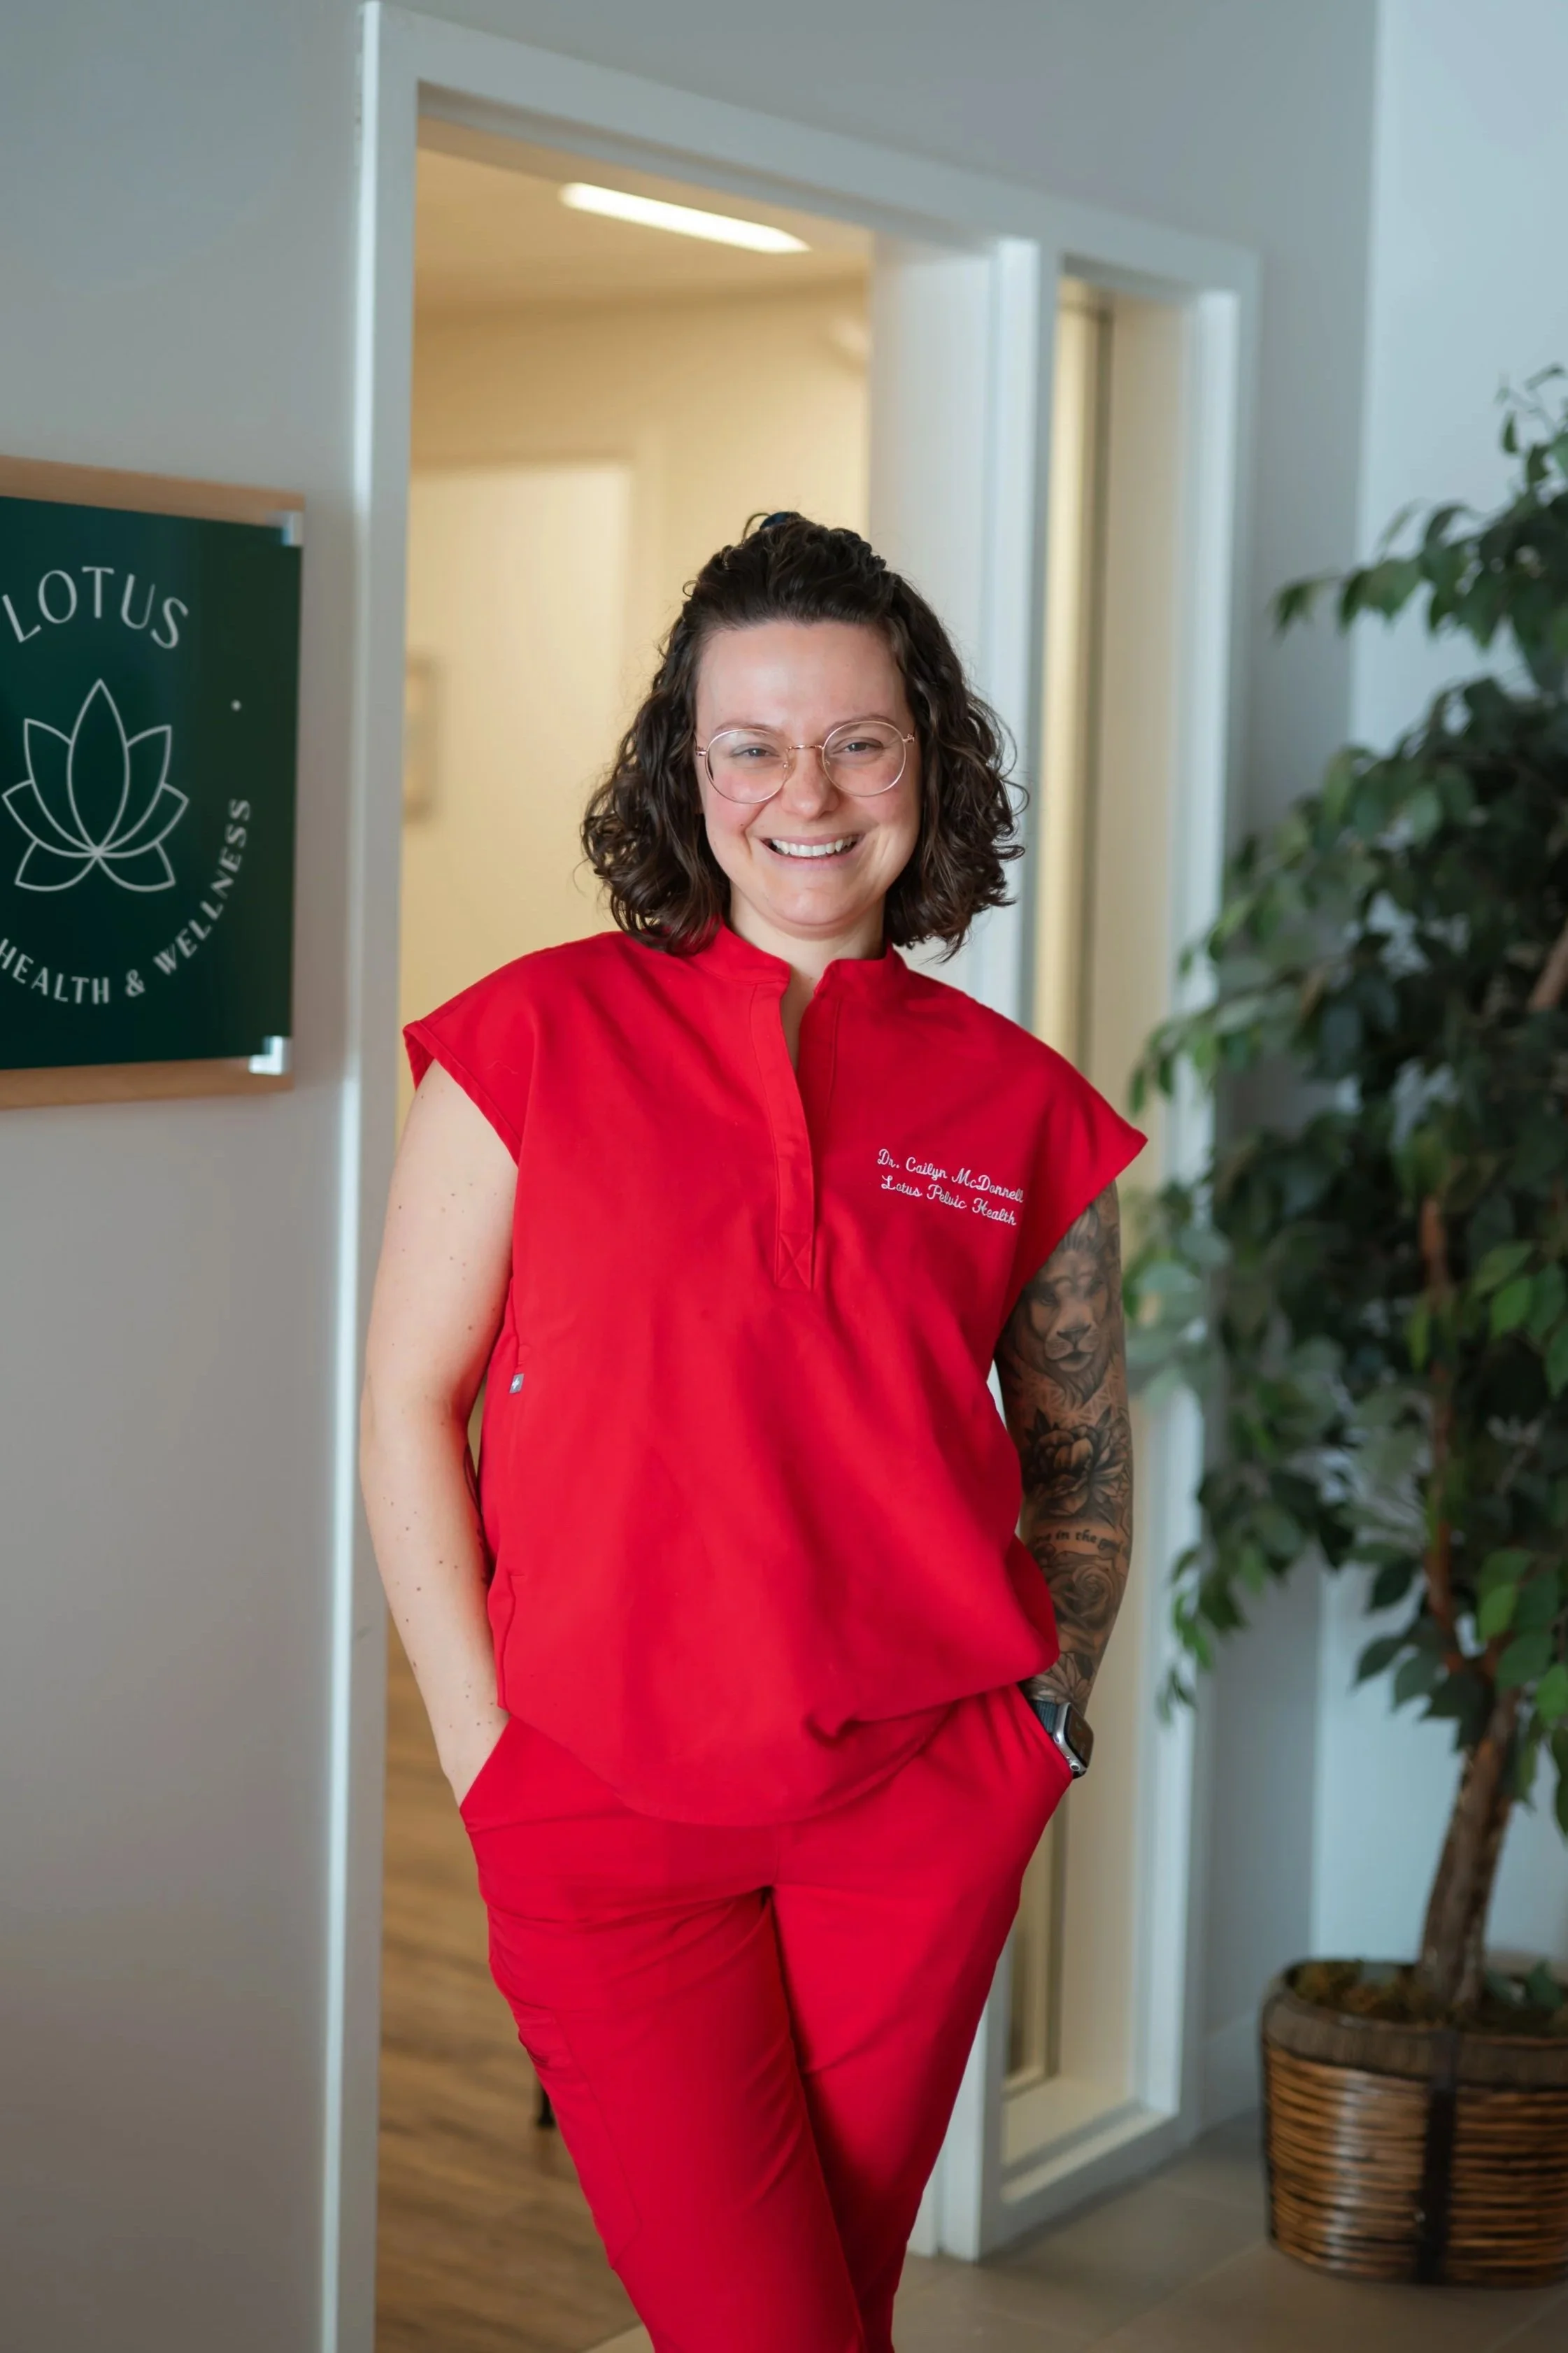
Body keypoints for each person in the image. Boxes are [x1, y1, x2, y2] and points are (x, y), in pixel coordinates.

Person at [360, 512, 1142, 2353]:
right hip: (601, 1816)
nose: (808, 789)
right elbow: (407, 1401)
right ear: (683, 768)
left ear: (926, 762)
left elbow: (1083, 1449)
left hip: (917, 1811)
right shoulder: (531, 1035)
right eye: (750, 742)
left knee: (819, 2309)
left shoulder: (1021, 1106)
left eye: (860, 738)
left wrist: (1046, 1722)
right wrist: (489, 1754)